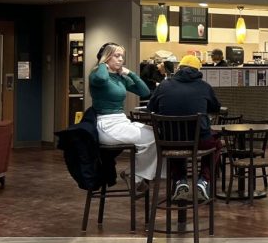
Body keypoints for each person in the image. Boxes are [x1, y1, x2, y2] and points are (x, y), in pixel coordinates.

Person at [147, 52, 220, 203]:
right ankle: (203, 180)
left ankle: (180, 180)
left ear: (179, 69)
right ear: (198, 71)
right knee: (216, 144)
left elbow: (150, 108)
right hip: (199, 139)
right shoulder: (204, 87)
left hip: (169, 141)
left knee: (175, 140)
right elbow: (216, 107)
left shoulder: (163, 86)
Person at [90, 42, 156, 192]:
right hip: (106, 125)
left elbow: (145, 92)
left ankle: (133, 174)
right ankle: (134, 176)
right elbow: (101, 79)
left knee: (156, 135)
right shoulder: (96, 74)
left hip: (121, 122)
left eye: (122, 56)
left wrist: (129, 73)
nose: (121, 59)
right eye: (116, 55)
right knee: (152, 138)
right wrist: (102, 63)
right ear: (106, 57)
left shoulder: (119, 77)